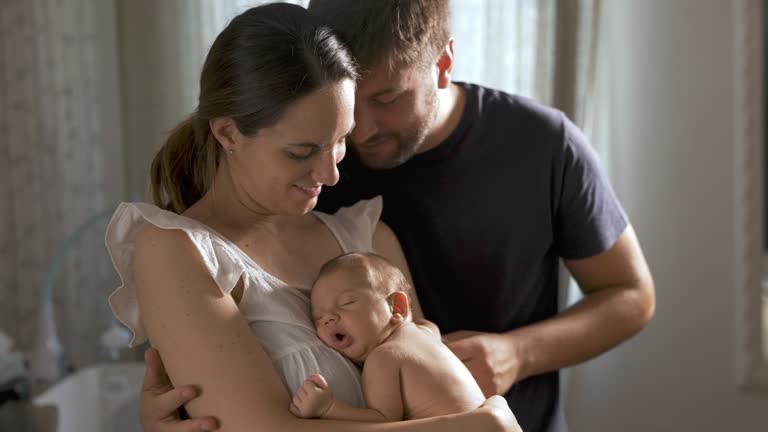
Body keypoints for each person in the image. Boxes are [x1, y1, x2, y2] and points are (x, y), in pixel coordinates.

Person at [140, 1, 656, 432]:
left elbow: (632, 295)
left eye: (385, 98)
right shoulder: (305, 170)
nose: (359, 133)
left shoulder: (541, 145)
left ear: (443, 62)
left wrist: (518, 354)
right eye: (344, 113)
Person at [106, 3, 520, 432]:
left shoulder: (367, 241)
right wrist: (477, 427)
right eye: (302, 152)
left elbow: (435, 393)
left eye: (340, 141)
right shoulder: (176, 250)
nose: (331, 173)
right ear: (228, 133)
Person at [290, 252, 485, 421]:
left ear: (397, 307)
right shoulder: (426, 332)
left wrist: (328, 408)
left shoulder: (384, 357)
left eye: (346, 303)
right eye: (319, 318)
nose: (329, 319)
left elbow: (383, 420)